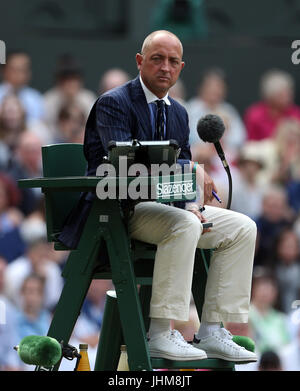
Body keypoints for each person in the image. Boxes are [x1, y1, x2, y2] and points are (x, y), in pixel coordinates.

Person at [59, 30, 257, 363]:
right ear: (140, 61)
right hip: (117, 210)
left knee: (242, 228)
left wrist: (193, 199)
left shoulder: (179, 113)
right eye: (157, 59)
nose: (165, 67)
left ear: (181, 67)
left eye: (173, 61)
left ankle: (211, 330)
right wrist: (188, 175)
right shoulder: (113, 102)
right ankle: (161, 332)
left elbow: (183, 170)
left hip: (167, 209)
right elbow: (122, 168)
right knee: (184, 225)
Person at [244, 69, 300, 141]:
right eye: (282, 95)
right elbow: (250, 143)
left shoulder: (296, 113)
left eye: (289, 93)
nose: (288, 97)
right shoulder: (254, 115)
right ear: (270, 96)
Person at [0, 51, 45, 122]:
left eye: (24, 70)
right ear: (4, 70)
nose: (20, 74)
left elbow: (38, 126)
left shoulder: (35, 97)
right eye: (15, 69)